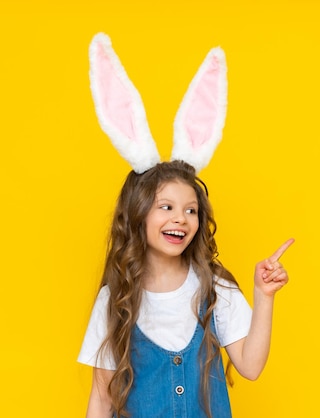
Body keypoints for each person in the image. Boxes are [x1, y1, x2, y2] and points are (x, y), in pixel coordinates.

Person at [78, 34, 293, 417]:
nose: (181, 218)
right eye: (167, 206)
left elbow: (251, 366)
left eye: (191, 210)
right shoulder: (115, 301)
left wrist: (264, 296)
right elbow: (101, 397)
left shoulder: (215, 287)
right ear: (139, 213)